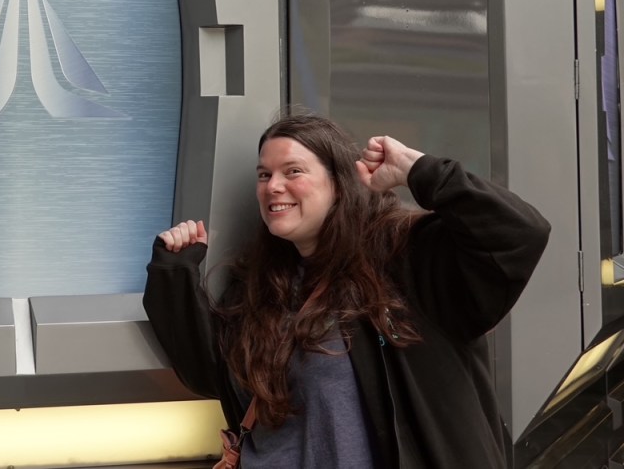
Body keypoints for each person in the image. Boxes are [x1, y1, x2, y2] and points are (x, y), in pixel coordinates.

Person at [143, 112, 550, 468]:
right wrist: (174, 271)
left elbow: (520, 233)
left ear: (338, 183)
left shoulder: (406, 262)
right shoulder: (260, 285)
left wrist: (417, 171)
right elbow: (208, 371)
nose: (273, 186)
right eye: (264, 174)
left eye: (293, 171)